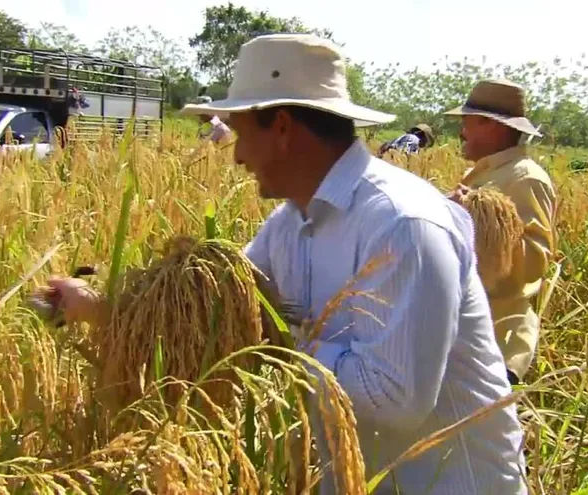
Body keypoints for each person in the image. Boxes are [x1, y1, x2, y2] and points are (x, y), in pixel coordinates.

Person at [37, 33, 527, 494]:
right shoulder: (289, 223)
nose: (236, 157)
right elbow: (223, 313)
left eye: (243, 132)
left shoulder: (403, 225)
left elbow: (393, 398)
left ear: (284, 128)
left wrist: (273, 340)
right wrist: (101, 306)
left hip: (453, 482)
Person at [444, 78, 557, 387]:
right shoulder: (490, 171)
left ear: (491, 125)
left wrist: (474, 213)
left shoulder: (525, 178)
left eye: (467, 122)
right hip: (467, 338)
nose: (461, 131)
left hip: (497, 343)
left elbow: (534, 264)